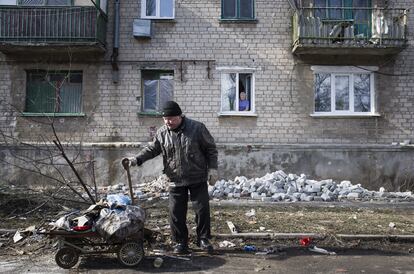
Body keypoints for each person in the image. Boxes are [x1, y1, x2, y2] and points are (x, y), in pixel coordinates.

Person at [122, 101, 218, 254]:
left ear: (180, 116)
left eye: (172, 118)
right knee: (176, 212)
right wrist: (137, 159)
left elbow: (211, 149)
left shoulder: (197, 128)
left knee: (202, 210)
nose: (168, 122)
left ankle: (203, 239)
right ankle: (180, 243)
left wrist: (213, 169)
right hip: (175, 178)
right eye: (165, 119)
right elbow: (152, 149)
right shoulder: (162, 133)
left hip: (197, 177)